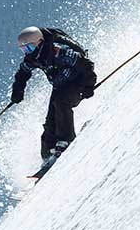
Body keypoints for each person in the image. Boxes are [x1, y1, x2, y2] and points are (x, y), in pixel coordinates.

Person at [10, 25, 96, 173]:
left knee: (61, 103)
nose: (27, 52)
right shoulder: (33, 57)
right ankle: (47, 155)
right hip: (60, 86)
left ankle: (66, 140)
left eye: (29, 48)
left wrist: (89, 85)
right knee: (50, 121)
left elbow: (85, 64)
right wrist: (18, 90)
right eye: (24, 50)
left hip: (77, 82)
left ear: (39, 42)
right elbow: (23, 73)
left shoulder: (57, 50)